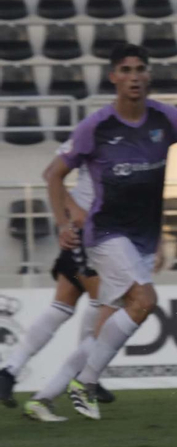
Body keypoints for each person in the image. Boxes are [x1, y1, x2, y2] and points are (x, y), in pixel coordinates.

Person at [24, 43, 177, 422]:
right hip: (104, 233)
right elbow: (53, 174)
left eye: (140, 69)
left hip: (142, 240)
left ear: (148, 75)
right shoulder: (96, 126)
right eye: (126, 70)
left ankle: (45, 396)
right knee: (144, 300)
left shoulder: (165, 118)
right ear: (113, 77)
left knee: (106, 325)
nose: (134, 76)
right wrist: (62, 224)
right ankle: (84, 384)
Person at [0, 142, 104, 408]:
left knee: (62, 308)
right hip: (87, 233)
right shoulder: (96, 131)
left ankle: (9, 371)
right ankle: (80, 377)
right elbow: (51, 173)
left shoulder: (133, 140)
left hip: (105, 233)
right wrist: (72, 211)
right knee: (104, 306)